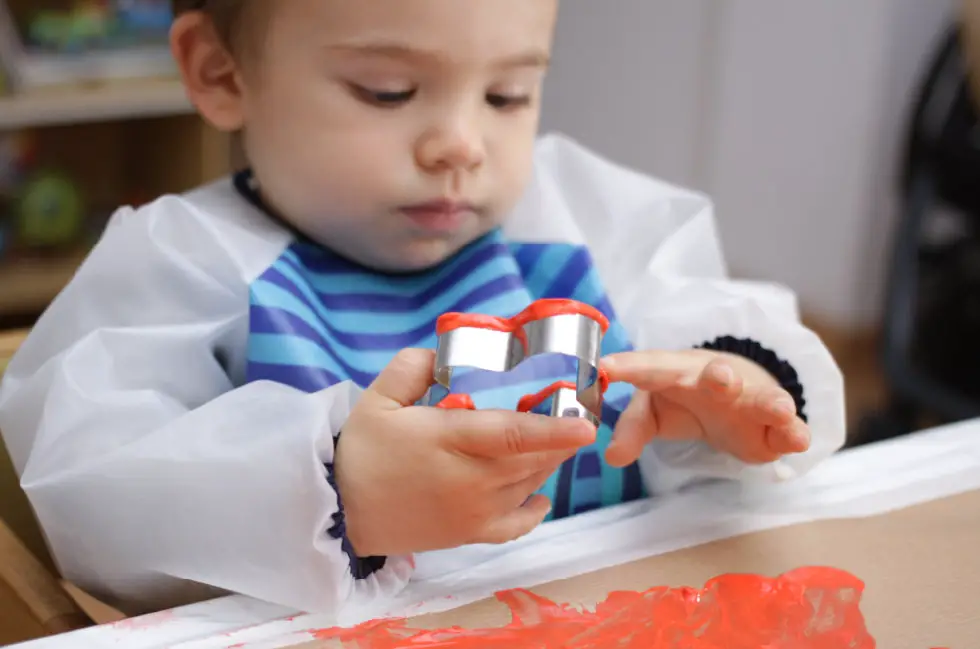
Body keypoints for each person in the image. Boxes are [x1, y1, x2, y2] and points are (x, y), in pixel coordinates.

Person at [0, 0, 845, 619]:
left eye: (507, 95)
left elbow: (711, 316)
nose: (460, 144)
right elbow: (95, 487)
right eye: (389, 90)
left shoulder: (578, 214)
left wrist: (738, 390)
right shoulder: (183, 261)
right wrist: (338, 492)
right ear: (224, 74)